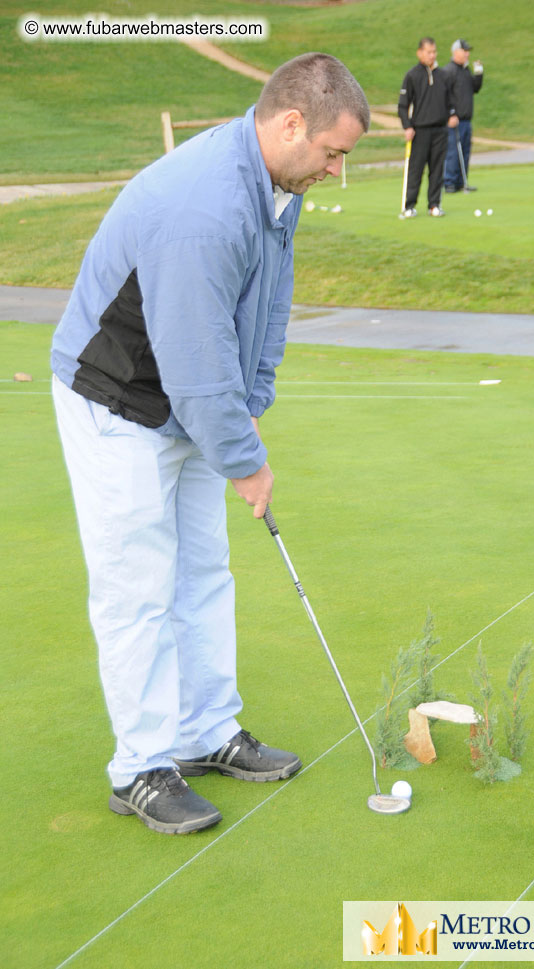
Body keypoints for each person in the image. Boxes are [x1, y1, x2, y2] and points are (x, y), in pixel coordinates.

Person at [51, 53, 369, 836]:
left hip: (182, 398)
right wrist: (246, 459)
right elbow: (194, 365)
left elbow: (268, 303)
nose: (336, 169)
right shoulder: (203, 206)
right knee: (139, 586)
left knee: (204, 570)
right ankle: (141, 768)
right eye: (333, 152)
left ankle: (205, 731)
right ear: (291, 124)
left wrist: (251, 404)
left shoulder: (277, 185)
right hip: (116, 396)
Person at [397, 37, 458, 218]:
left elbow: (450, 101)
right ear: (420, 53)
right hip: (419, 130)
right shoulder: (412, 75)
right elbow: (402, 105)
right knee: (415, 170)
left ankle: (434, 205)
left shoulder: (444, 75)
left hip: (440, 130)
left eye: (434, 52)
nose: (432, 55)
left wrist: (452, 114)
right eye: (428, 52)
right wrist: (407, 126)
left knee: (437, 169)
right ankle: (409, 206)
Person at [443, 39, 484, 193]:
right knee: (453, 151)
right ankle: (449, 182)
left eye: (468, 51)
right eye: (464, 51)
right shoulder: (449, 71)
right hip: (454, 120)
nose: (467, 54)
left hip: (466, 120)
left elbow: (475, 88)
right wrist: (450, 114)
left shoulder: (465, 71)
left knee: (465, 151)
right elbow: (444, 95)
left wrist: (479, 73)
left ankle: (461, 181)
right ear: (455, 52)